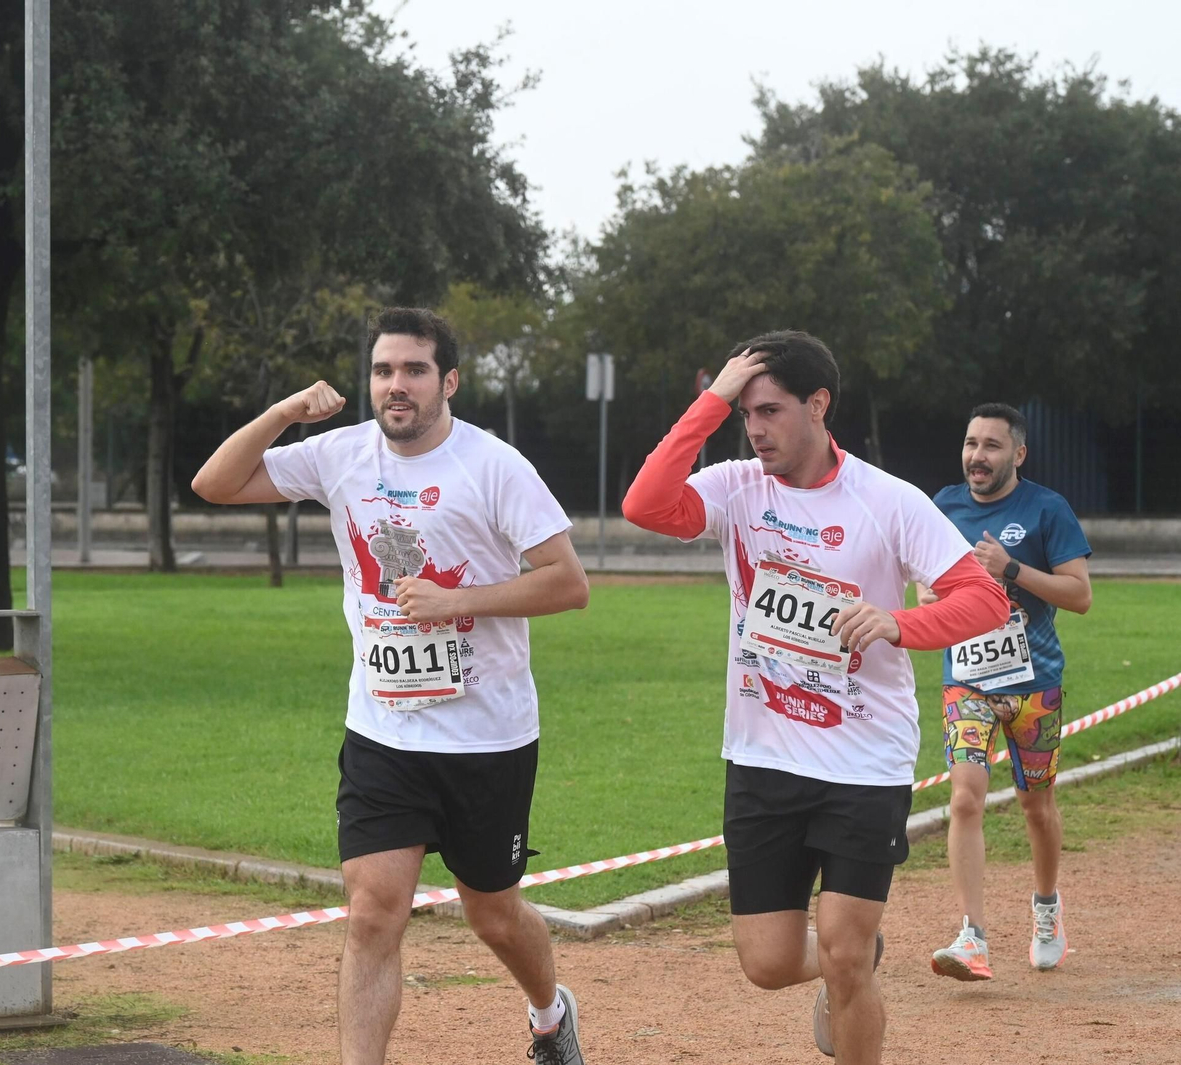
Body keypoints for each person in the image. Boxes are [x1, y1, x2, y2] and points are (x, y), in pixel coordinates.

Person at [191, 307, 591, 1065]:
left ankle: (550, 1013)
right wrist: (283, 412)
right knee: (373, 912)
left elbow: (569, 583)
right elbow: (215, 482)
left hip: (486, 736)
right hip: (383, 730)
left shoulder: (495, 466)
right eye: (382, 370)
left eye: (413, 370)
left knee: (494, 915)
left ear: (449, 382)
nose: (396, 385)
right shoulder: (340, 454)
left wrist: (457, 599)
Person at [622, 332, 1008, 1064]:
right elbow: (644, 505)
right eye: (745, 414)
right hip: (762, 757)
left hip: (864, 760)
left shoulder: (888, 501)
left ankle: (850, 961)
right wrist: (711, 402)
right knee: (767, 962)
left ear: (818, 404)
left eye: (769, 410)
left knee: (843, 953)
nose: (755, 428)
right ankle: (851, 957)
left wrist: (898, 622)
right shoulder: (735, 487)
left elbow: (984, 599)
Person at [918, 402, 1092, 981]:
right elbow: (925, 584)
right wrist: (929, 597)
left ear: (1018, 454)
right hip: (965, 680)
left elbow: (1080, 595)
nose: (978, 456)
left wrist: (1010, 569)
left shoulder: (1047, 508)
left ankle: (1046, 908)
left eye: (991, 446)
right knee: (965, 798)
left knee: (1035, 806)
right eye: (971, 444)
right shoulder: (943, 507)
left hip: (1034, 686)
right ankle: (972, 936)